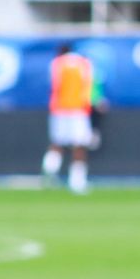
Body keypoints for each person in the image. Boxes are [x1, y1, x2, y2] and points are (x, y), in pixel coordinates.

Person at [41, 43, 94, 194]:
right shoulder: (84, 62)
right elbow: (88, 85)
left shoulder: (56, 63)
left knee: (57, 143)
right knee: (79, 145)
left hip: (59, 108)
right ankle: (77, 181)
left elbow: (53, 85)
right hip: (78, 109)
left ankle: (49, 173)